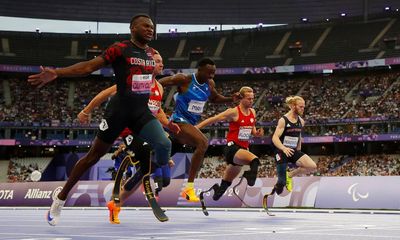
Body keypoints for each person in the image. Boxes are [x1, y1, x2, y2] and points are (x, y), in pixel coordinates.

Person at [28, 14, 172, 226]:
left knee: (164, 143)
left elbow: (150, 84)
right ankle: (60, 198)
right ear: (133, 28)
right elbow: (88, 67)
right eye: (146, 26)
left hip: (140, 113)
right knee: (92, 157)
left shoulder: (151, 54)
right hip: (118, 112)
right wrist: (58, 73)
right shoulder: (120, 48)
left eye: (152, 27)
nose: (151, 29)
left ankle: (146, 172)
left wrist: (165, 117)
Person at [77, 51, 180, 224]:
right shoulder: (136, 80)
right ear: (148, 63)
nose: (162, 64)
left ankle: (116, 203)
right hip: (129, 130)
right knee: (147, 154)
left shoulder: (160, 87)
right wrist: (86, 110)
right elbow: (105, 93)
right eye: (157, 61)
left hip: (147, 130)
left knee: (157, 170)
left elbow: (157, 111)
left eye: (162, 61)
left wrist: (168, 124)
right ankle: (131, 155)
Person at [159, 58, 239, 202]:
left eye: (213, 73)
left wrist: (230, 99)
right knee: (203, 143)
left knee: (159, 159)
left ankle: (142, 173)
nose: (211, 76)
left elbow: (214, 98)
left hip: (190, 125)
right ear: (200, 69)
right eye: (209, 73)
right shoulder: (184, 79)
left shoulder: (210, 84)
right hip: (178, 122)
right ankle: (189, 188)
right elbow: (159, 83)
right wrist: (153, 101)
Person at [196, 86, 264, 200]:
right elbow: (214, 119)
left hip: (243, 149)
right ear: (241, 98)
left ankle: (216, 190)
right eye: (249, 99)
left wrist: (256, 133)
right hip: (232, 148)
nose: (251, 101)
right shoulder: (233, 112)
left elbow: (251, 127)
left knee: (225, 185)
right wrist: (197, 127)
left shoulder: (253, 112)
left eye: (252, 98)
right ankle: (248, 175)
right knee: (255, 161)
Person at [271, 96, 317, 195]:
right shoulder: (283, 120)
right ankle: (278, 186)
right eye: (301, 107)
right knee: (281, 183)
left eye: (304, 107)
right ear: (293, 106)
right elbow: (274, 138)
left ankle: (290, 175)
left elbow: (298, 136)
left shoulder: (301, 121)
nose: (303, 109)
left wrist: (299, 150)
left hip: (293, 150)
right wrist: (283, 148)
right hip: (281, 151)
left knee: (312, 166)